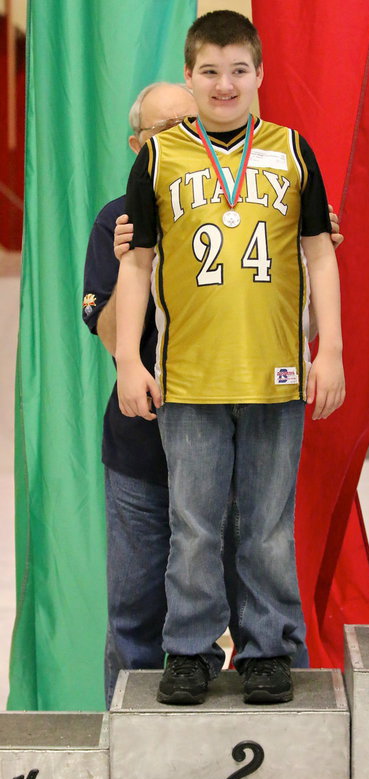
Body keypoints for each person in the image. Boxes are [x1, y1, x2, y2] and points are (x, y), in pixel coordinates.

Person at [115, 10, 345, 706]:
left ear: (259, 74)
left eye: (238, 70)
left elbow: (319, 255)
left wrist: (330, 349)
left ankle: (266, 648)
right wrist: (129, 359)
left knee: (267, 527)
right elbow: (136, 263)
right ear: (190, 76)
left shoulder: (292, 150)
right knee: (193, 525)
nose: (225, 84)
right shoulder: (158, 157)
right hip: (189, 377)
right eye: (210, 71)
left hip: (276, 373)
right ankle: (189, 649)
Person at [82, 82, 200, 709]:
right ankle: (128, 745)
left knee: (232, 606)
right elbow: (106, 332)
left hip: (228, 436)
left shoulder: (238, 209)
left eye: (190, 123)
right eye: (163, 129)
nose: (181, 136)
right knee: (134, 614)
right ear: (137, 145)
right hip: (141, 444)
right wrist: (136, 261)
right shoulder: (116, 219)